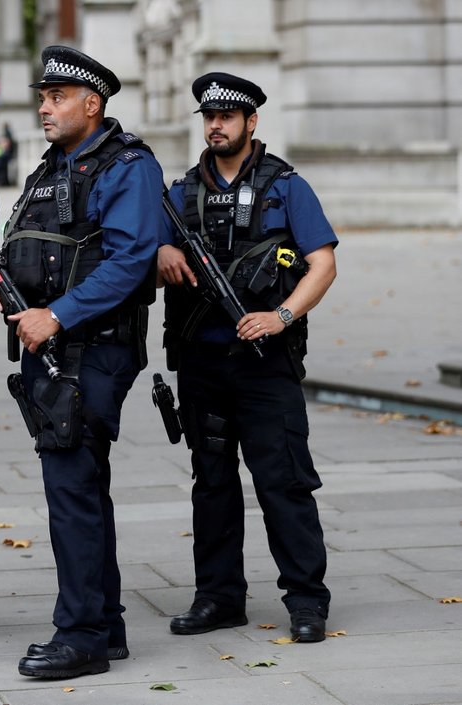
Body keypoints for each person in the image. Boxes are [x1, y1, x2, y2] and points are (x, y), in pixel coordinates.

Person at [0, 46, 162, 679]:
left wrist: (56, 315)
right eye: (42, 97)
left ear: (93, 103)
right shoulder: (53, 166)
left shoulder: (127, 164)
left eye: (57, 98)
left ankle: (79, 634)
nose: (45, 107)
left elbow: (131, 259)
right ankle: (103, 625)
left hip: (91, 346)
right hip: (51, 346)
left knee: (72, 489)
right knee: (81, 487)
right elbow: (38, 246)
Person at [158, 72, 337, 643]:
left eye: (227, 117)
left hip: (266, 365)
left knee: (283, 482)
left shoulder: (286, 186)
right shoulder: (182, 192)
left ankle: (307, 601)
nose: (216, 126)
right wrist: (161, 247)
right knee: (210, 483)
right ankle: (218, 598)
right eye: (209, 118)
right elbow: (143, 252)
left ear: (250, 122)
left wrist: (282, 314)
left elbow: (323, 264)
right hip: (202, 364)